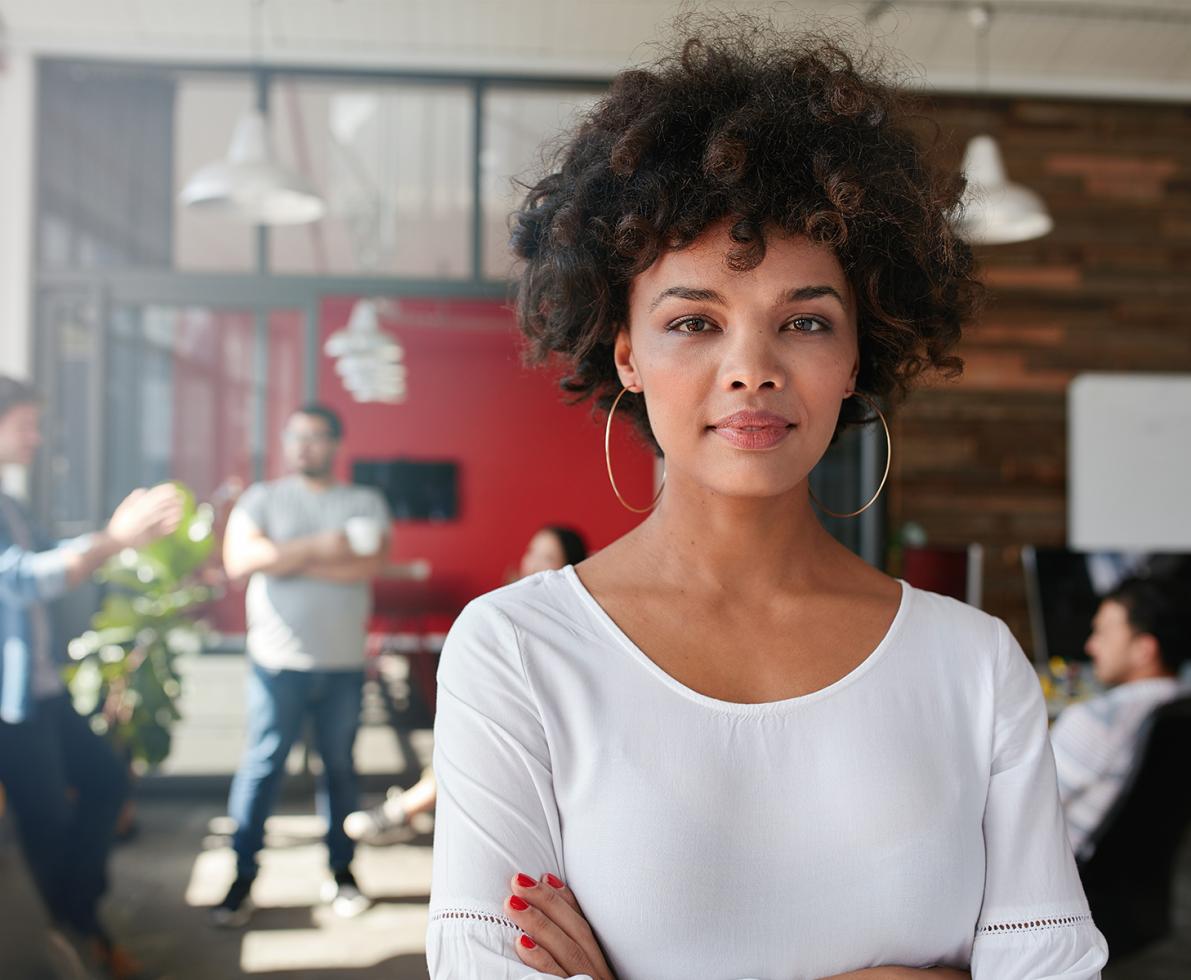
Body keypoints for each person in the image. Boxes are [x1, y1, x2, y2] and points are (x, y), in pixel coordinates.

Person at [426, 22, 1108, 980]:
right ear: (625, 350)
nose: (750, 370)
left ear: (855, 354)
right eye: (693, 321)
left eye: (803, 320)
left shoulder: (973, 668)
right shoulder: (517, 653)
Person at [0, 375, 184, 978]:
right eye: (26, 423)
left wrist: (116, 542)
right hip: (13, 702)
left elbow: (55, 563)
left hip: (41, 687)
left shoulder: (12, 503)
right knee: (47, 824)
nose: (37, 436)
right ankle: (79, 935)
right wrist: (113, 538)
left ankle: (77, 922)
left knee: (104, 782)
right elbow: (25, 579)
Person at [212, 404, 391, 926]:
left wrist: (286, 559)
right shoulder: (262, 498)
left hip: (342, 665)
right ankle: (241, 879)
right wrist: (320, 548)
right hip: (277, 663)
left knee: (338, 770)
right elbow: (240, 561)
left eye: (315, 437)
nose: (303, 447)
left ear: (335, 444)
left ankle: (342, 873)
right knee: (263, 767)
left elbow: (370, 563)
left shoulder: (363, 500)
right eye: (295, 437)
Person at [345, 525, 590, 846]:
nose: (531, 562)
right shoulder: (508, 607)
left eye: (545, 556)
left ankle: (401, 811)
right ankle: (403, 810)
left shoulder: (570, 624)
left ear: (568, 567)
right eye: (532, 551)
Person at [1051, 576, 1190, 858]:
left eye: (1101, 633)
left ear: (1144, 650)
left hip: (1068, 884)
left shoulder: (1095, 721)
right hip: (1154, 890)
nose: (1090, 646)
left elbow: (1020, 814)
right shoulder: (1181, 717)